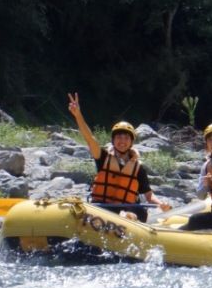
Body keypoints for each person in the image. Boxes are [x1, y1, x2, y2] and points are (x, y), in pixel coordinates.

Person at [67, 92, 171, 221]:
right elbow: (89, 138)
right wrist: (78, 115)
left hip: (127, 207)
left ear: (131, 142)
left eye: (126, 137)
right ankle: (121, 218)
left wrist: (160, 204)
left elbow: (149, 196)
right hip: (102, 206)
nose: (122, 141)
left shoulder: (138, 168)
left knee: (138, 212)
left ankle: (128, 219)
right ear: (113, 140)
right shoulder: (103, 157)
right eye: (119, 137)